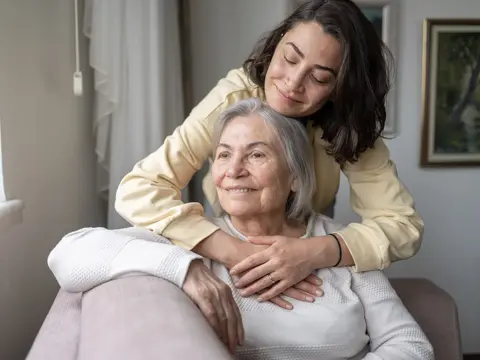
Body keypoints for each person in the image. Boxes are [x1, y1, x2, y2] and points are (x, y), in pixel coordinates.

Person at [48, 99, 433, 359]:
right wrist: (188, 269)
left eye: (257, 154)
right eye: (224, 155)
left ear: (295, 176)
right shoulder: (192, 238)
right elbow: (68, 253)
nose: (233, 171)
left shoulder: (341, 245)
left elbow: (410, 344)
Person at [114, 0, 424, 307]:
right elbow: (139, 189)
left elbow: (403, 226)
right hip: (230, 238)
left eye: (319, 78)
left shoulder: (348, 124)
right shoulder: (233, 97)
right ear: (276, 45)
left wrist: (313, 252)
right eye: (290, 58)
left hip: (311, 249)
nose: (293, 82)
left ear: (341, 88)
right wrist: (236, 251)